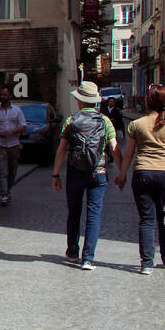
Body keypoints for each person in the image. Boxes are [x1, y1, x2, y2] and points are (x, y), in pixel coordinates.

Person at [117, 84, 165, 274]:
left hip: (142, 173)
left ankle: (146, 263)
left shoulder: (136, 124)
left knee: (146, 219)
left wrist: (122, 175)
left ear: (148, 102)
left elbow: (129, 153)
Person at [52, 81, 118, 270]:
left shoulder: (71, 120)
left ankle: (72, 251)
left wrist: (55, 175)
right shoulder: (104, 121)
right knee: (93, 214)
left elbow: (62, 149)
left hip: (75, 172)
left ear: (79, 100)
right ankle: (88, 258)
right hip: (98, 171)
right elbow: (114, 148)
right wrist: (122, 173)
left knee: (74, 212)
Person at [0, 86, 27, 205]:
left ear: (9, 96)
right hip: (0, 144)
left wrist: (12, 131)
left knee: (13, 170)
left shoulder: (17, 110)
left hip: (14, 144)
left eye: (4, 95)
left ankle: (7, 190)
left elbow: (23, 125)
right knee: (2, 171)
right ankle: (4, 195)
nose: (2, 97)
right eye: (1, 95)